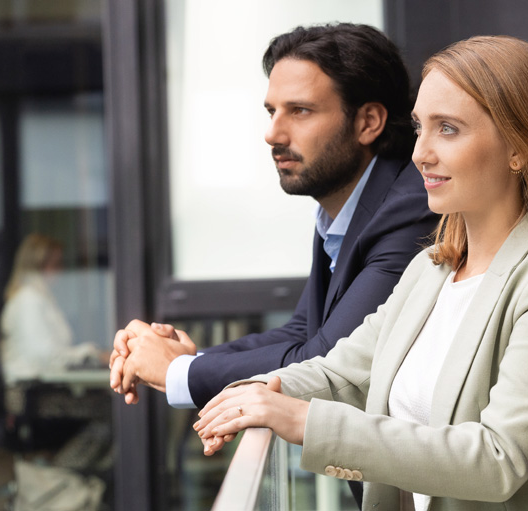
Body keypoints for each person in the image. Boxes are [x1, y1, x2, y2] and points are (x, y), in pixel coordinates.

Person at [194, 35, 528, 510]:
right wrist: (257, 393)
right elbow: (343, 374)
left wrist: (304, 422)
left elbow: (498, 458)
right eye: (420, 127)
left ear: (519, 148)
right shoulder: (430, 270)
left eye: (449, 129)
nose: (421, 153)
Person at [108, 24, 438, 410]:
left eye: (299, 111)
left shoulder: (410, 207)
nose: (272, 133)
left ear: (368, 122)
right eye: (271, 111)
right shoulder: (346, 204)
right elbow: (302, 331)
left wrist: (177, 371)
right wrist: (185, 360)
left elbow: (327, 359)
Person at [0, 234, 98, 385]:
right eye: (56, 264)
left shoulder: (41, 297)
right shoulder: (29, 299)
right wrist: (90, 354)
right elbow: (45, 356)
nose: (61, 270)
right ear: (39, 264)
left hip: (43, 386)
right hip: (33, 392)